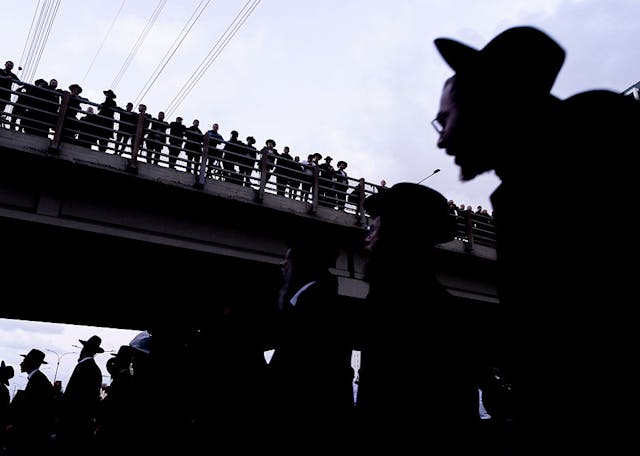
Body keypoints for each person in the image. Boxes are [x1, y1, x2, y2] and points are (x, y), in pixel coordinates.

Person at [433, 25, 640, 453]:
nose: (441, 139)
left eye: (445, 119)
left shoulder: (595, 143)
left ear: (485, 105)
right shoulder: (529, 179)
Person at [355, 183, 480, 453]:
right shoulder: (431, 304)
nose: (367, 239)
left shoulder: (408, 306)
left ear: (396, 236)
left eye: (374, 229)